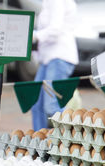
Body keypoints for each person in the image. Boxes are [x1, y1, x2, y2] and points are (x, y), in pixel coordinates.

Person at [31, 0, 79, 131]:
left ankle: (73, 138)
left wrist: (33, 36)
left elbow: (55, 29)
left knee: (52, 106)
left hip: (59, 57)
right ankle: (39, 143)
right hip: (48, 59)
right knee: (36, 103)